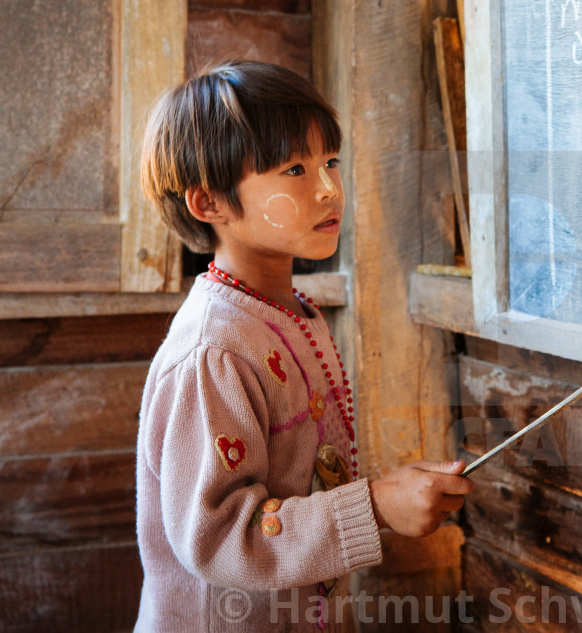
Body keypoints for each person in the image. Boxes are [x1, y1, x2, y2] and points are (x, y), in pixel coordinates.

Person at [135, 61, 472, 631]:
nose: (328, 188)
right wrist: (375, 508)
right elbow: (218, 536)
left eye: (331, 163)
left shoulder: (291, 312)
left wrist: (390, 494)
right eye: (294, 169)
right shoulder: (214, 352)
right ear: (209, 203)